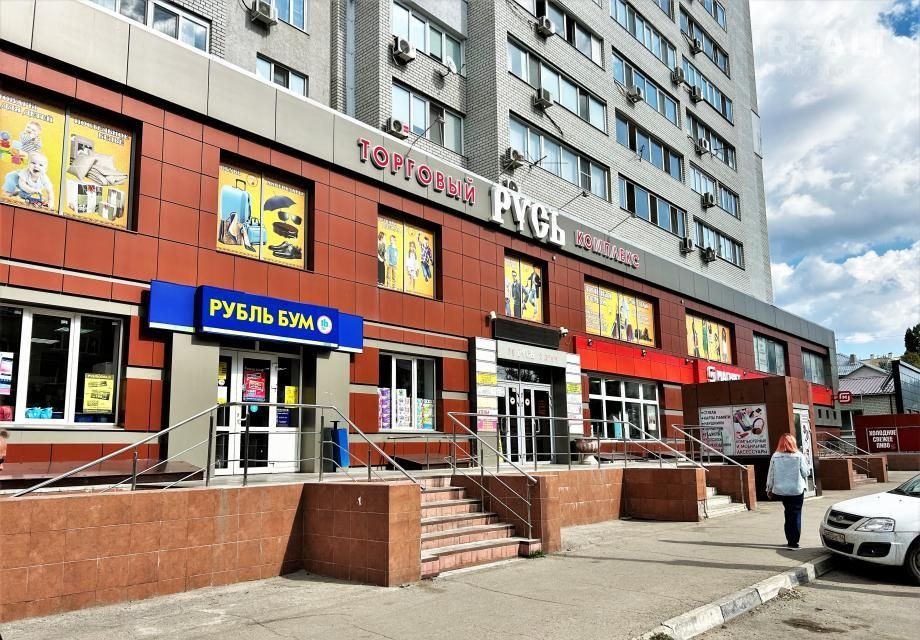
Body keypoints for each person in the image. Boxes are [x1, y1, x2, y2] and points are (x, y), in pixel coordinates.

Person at [766, 433, 810, 549]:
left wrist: (769, 488)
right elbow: (806, 472)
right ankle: (793, 542)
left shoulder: (775, 456)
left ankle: (790, 539)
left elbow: (771, 474)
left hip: (782, 490)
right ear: (793, 443)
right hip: (796, 490)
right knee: (795, 515)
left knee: (788, 514)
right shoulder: (799, 456)